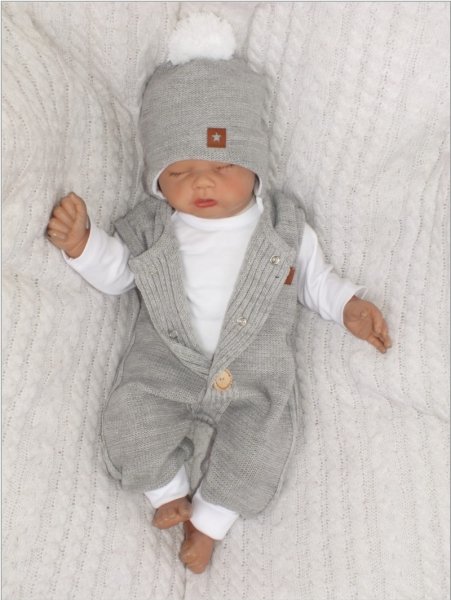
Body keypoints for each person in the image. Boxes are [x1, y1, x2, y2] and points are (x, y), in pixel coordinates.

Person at [46, 13, 391, 574]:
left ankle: (208, 526)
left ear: (254, 166)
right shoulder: (153, 226)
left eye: (222, 164)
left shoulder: (281, 227)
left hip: (254, 380)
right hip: (166, 370)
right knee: (129, 423)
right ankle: (169, 494)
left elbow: (314, 278)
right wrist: (83, 243)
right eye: (180, 171)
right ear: (157, 178)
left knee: (261, 449)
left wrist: (349, 305)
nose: (201, 182)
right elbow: (120, 273)